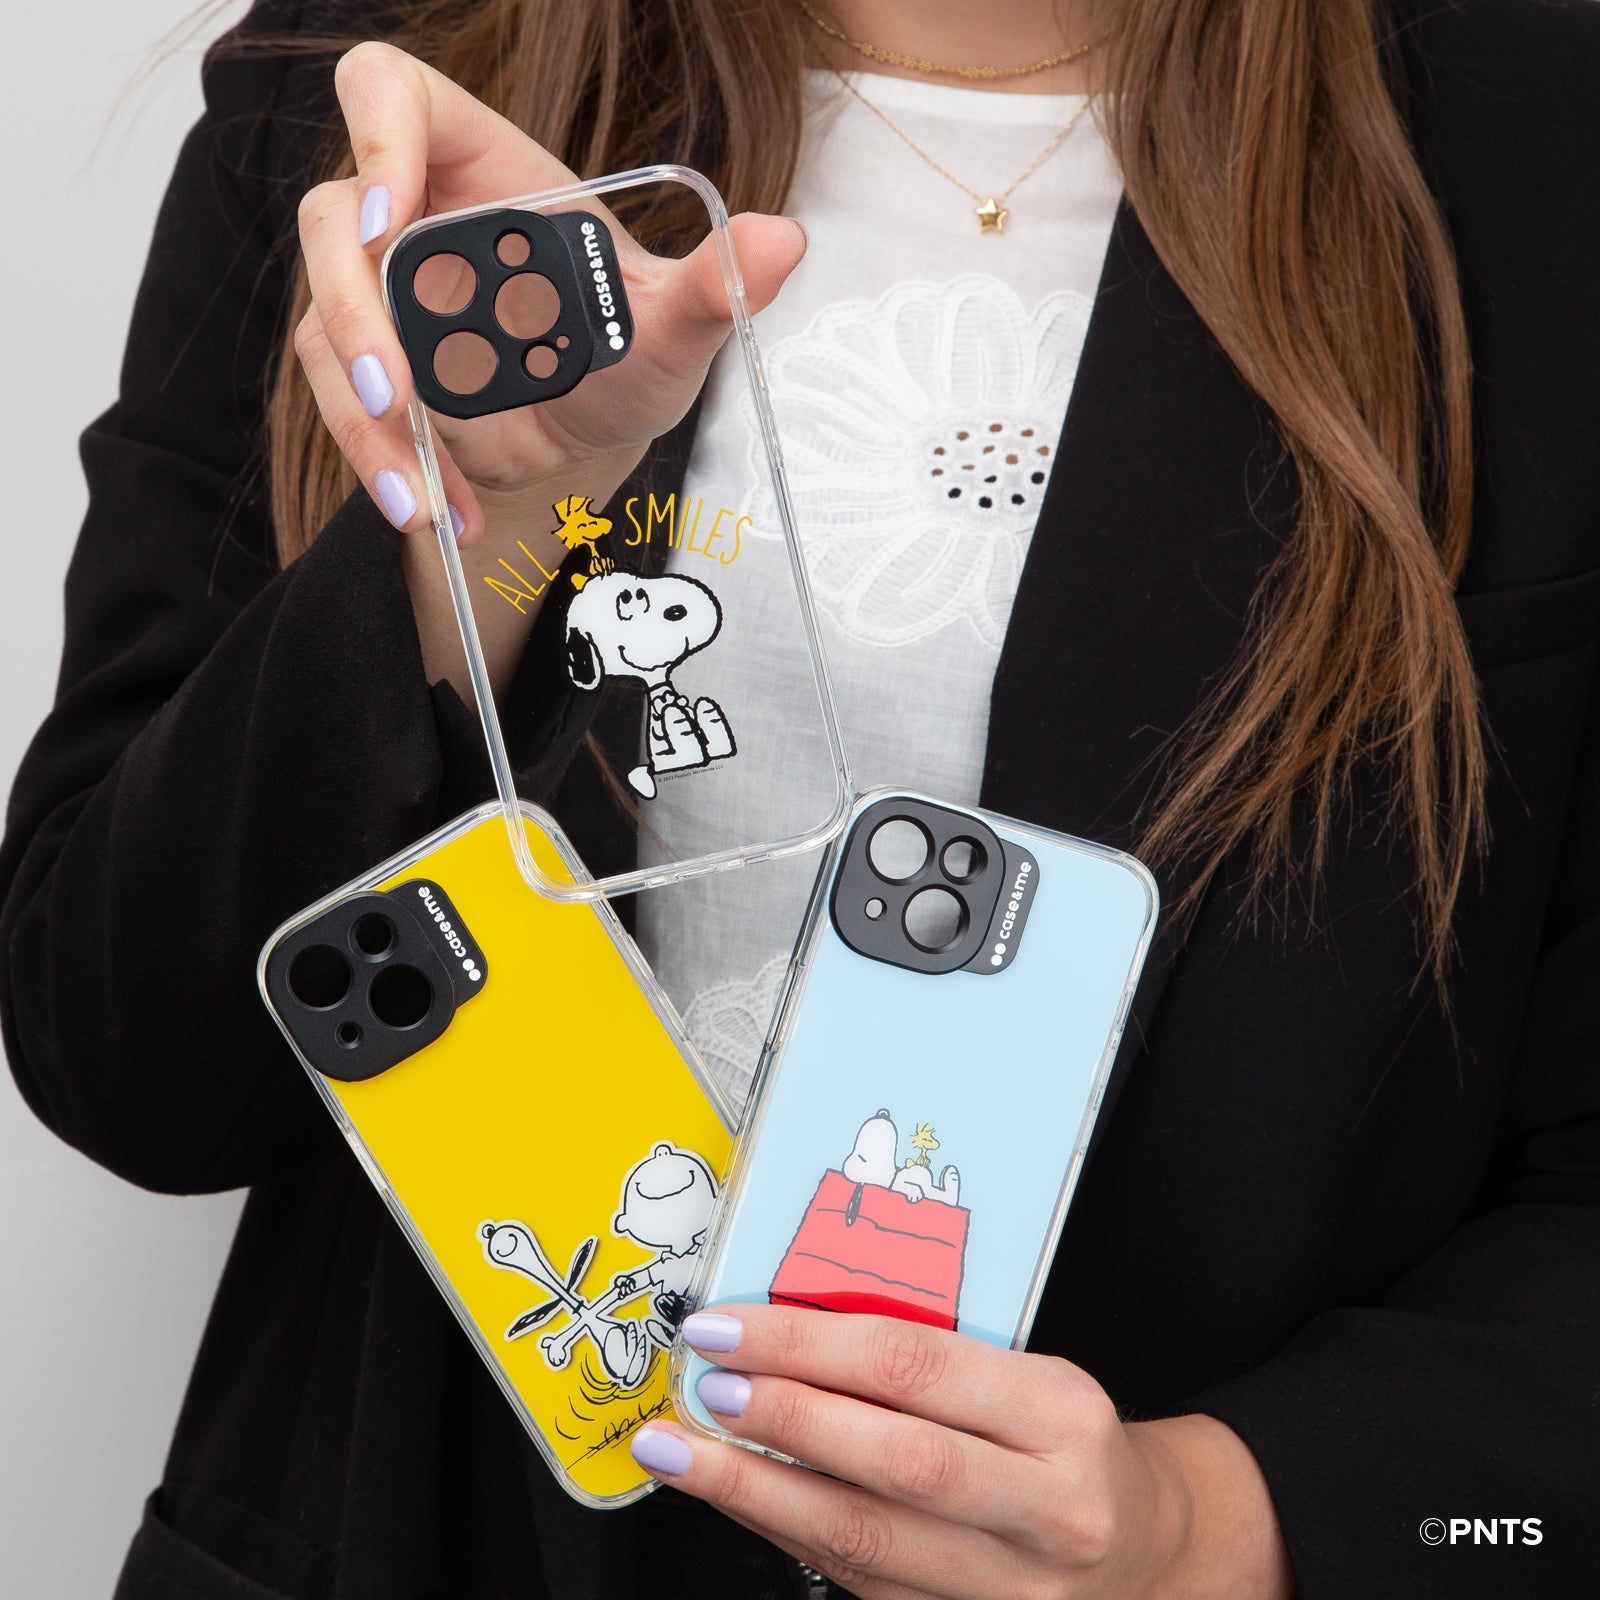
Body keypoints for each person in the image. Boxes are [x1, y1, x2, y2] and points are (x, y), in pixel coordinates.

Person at [2, 0, 1597, 1595]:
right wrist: (495, 525)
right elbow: (124, 1053)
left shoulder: (1537, 132)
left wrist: (1221, 1522)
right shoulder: (390, 99)